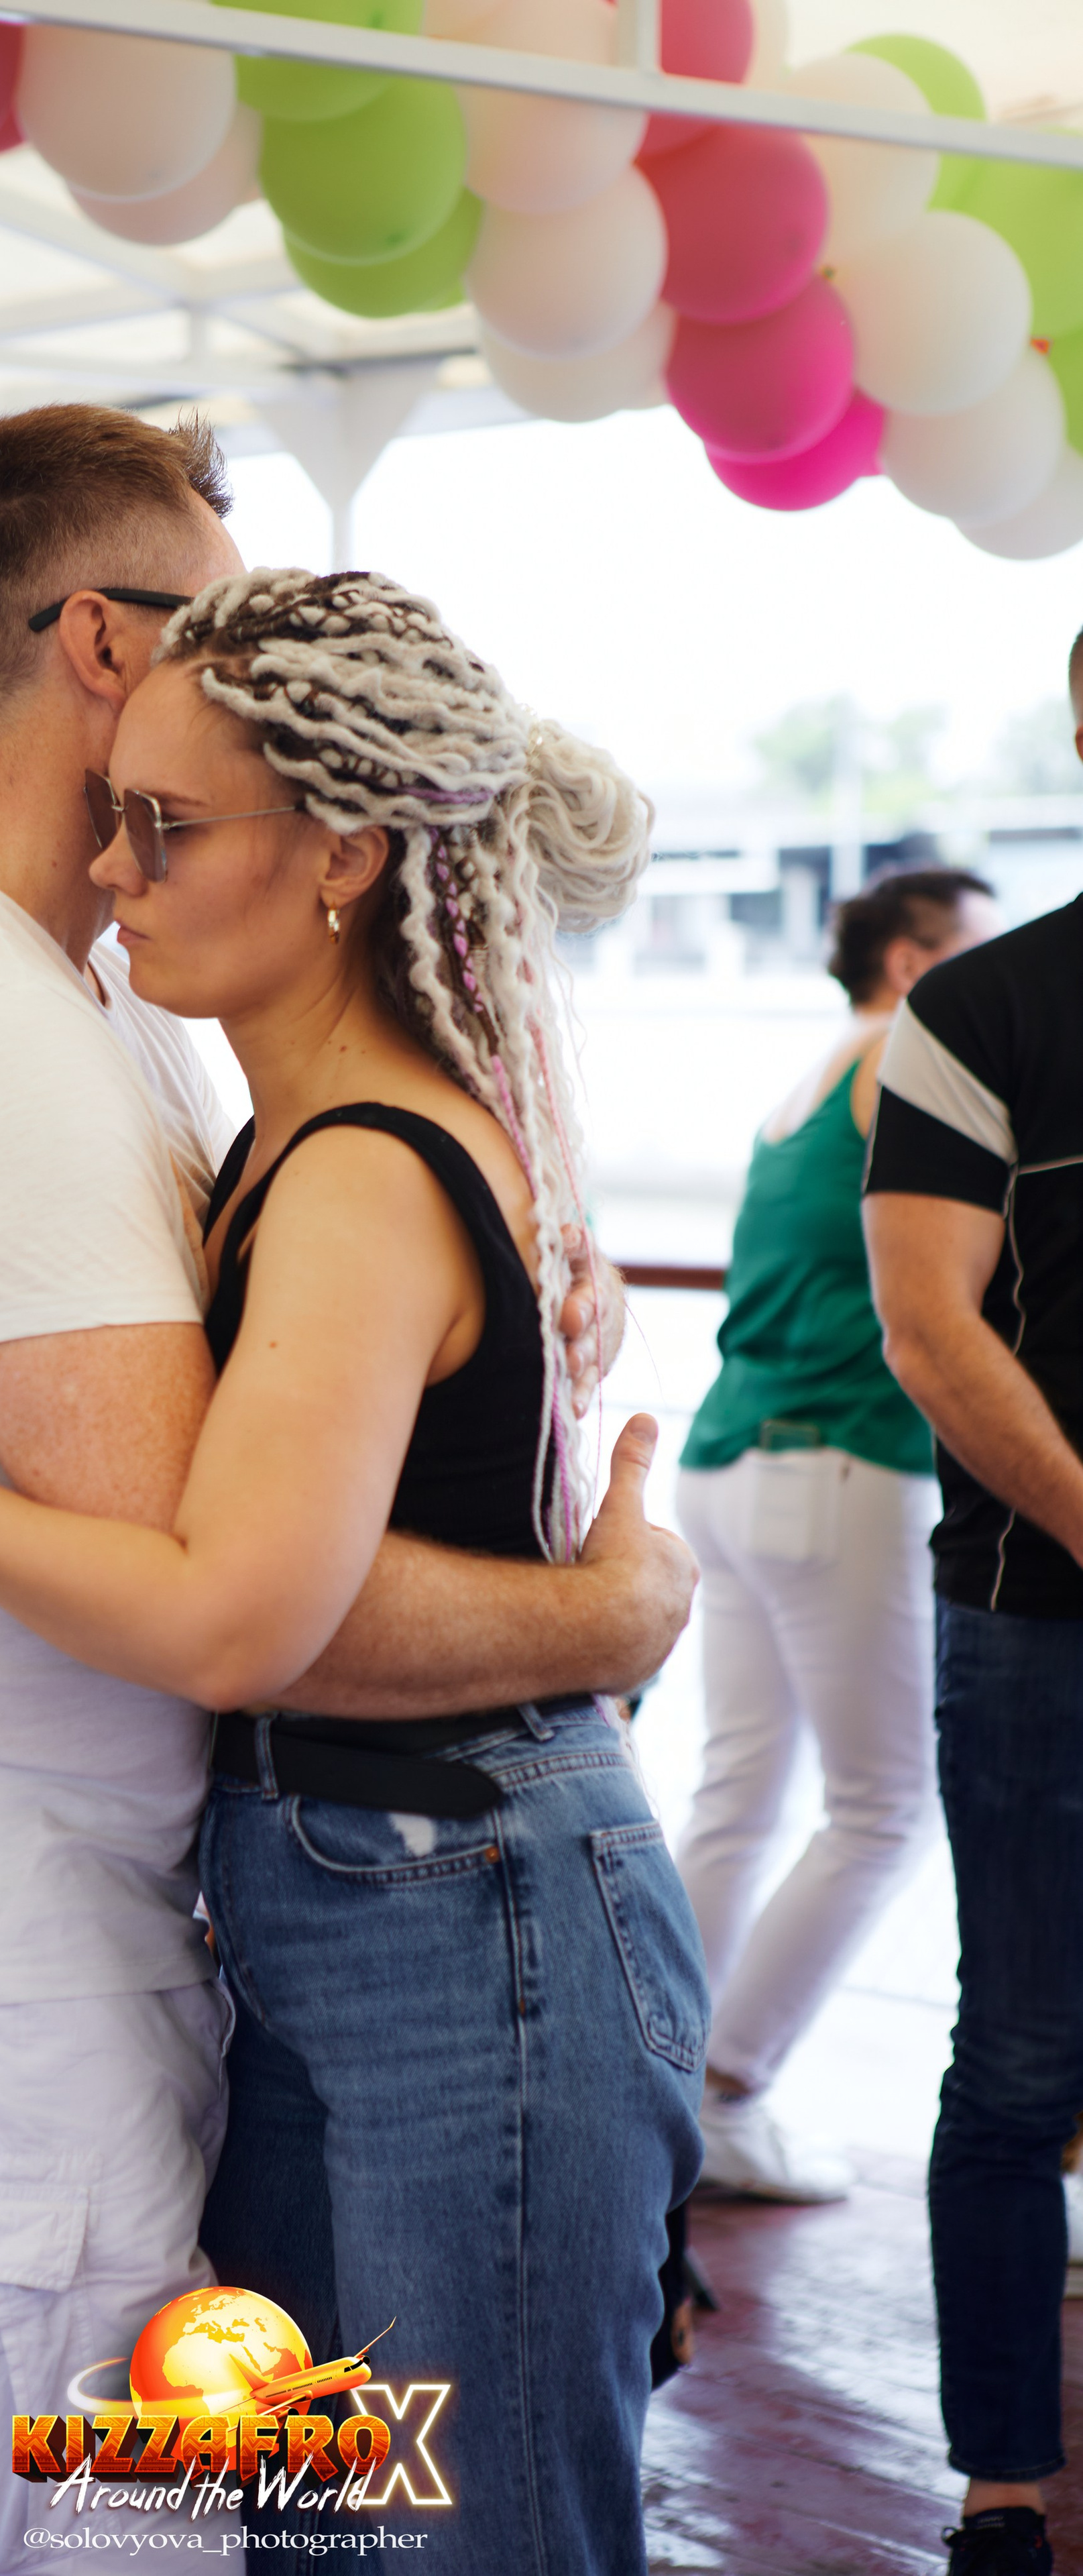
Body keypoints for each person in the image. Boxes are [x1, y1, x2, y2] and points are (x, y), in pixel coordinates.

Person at [0, 563, 706, 2575]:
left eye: (166, 825)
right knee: (332, 2521)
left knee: (458, 2532)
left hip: (456, 1903)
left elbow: (238, 1609)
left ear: (338, 851)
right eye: (114, 812)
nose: (116, 865)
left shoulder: (345, 1173)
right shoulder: (297, 1137)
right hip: (382, 1898)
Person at [676, 867, 1002, 2202]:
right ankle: (728, 2088)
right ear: (918, 966)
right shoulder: (908, 1066)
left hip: (727, 1460)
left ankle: (658, 2083)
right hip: (838, 1467)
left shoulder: (809, 1078)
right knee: (880, 1809)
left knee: (738, 1795)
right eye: (982, 958)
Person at [862, 647, 1083, 2576]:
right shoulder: (981, 1009)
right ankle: (1003, 2487)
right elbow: (930, 1329)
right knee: (1018, 2059)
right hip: (1037, 1622)